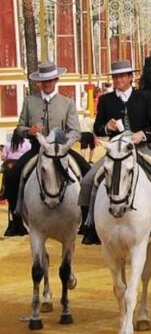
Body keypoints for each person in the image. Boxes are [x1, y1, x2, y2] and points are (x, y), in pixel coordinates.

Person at [78, 60, 151, 246]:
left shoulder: (146, 98)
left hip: (141, 149)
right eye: (115, 76)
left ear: (130, 78)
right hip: (115, 150)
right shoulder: (105, 100)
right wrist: (107, 127)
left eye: (122, 76)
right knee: (88, 180)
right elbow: (98, 127)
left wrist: (142, 134)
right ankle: (89, 224)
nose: (118, 80)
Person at [3, 62, 91, 237]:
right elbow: (19, 128)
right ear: (39, 83)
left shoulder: (68, 103)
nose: (48, 83)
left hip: (61, 149)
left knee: (88, 173)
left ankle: (88, 222)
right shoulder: (29, 101)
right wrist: (29, 131)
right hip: (37, 149)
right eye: (44, 81)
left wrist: (66, 143)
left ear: (56, 80)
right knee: (12, 176)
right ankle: (17, 221)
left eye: (50, 80)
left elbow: (75, 131)